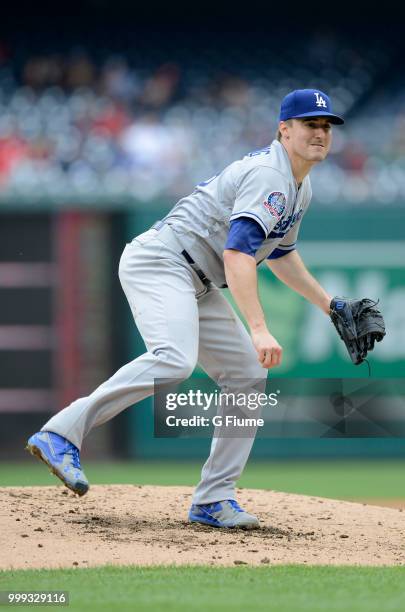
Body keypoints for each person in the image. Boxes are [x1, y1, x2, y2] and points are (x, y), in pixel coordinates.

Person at [26, 89, 344, 529]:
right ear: (284, 130)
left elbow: (280, 255)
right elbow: (238, 257)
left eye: (326, 126)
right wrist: (259, 327)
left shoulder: (299, 185)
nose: (320, 133)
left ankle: (213, 499)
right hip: (163, 261)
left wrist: (331, 305)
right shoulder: (269, 175)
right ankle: (60, 433)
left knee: (248, 373)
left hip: (197, 278)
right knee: (174, 358)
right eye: (310, 124)